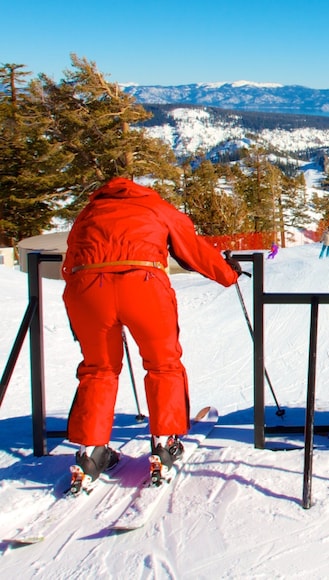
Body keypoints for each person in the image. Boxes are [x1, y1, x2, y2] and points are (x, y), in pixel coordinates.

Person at [62, 177, 242, 491]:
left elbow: (69, 262)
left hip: (88, 290)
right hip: (143, 284)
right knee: (163, 364)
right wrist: (228, 273)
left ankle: (91, 451)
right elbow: (191, 248)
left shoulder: (89, 212)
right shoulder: (155, 206)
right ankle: (164, 443)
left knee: (98, 369)